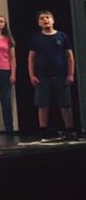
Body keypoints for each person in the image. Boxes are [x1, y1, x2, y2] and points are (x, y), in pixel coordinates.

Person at [28, 10, 76, 140]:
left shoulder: (62, 36)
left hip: (61, 75)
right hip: (42, 76)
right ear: (39, 23)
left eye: (47, 17)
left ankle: (69, 130)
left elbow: (69, 57)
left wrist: (71, 74)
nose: (45, 20)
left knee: (65, 104)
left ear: (53, 20)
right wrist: (32, 75)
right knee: (42, 104)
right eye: (42, 18)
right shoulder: (36, 38)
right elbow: (31, 58)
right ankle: (43, 130)